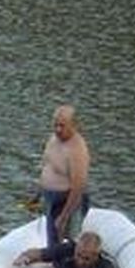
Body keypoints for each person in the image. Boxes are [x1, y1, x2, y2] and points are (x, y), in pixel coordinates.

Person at [37, 104, 90, 248]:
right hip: (51, 200)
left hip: (68, 202)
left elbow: (78, 186)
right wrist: (37, 194)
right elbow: (46, 165)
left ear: (74, 125)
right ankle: (54, 264)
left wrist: (64, 217)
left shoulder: (77, 149)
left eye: (62, 126)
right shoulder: (53, 139)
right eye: (55, 125)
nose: (58, 130)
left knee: (68, 244)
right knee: (52, 241)